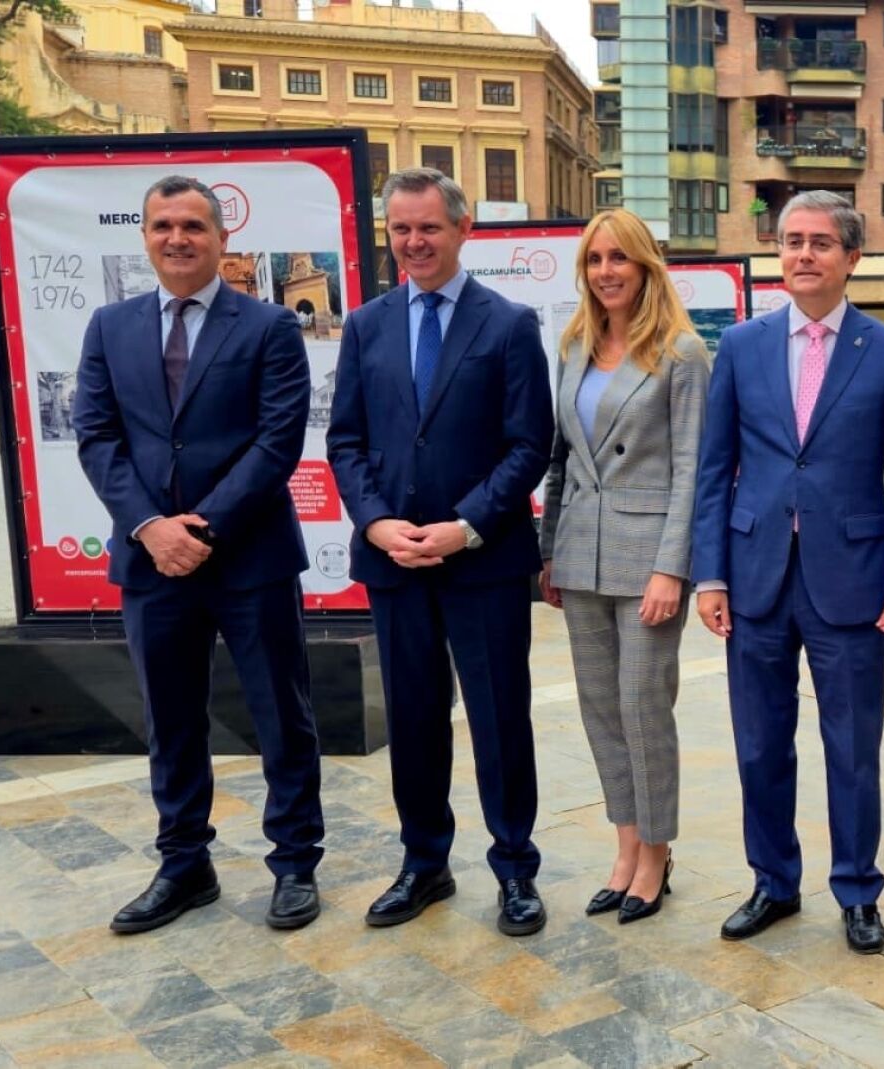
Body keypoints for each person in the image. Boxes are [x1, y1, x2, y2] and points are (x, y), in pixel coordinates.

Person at [73, 175, 323, 934]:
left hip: (251, 557)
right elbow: (97, 437)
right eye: (162, 226)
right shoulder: (110, 327)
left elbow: (277, 441)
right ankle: (185, 864)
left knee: (280, 713)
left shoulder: (269, 326)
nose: (177, 238)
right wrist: (151, 527)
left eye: (192, 225)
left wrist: (203, 527)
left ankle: (294, 863)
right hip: (152, 563)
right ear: (145, 236)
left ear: (221, 238)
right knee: (172, 718)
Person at [692, 190, 884, 955]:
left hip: (855, 581)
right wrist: (710, 575)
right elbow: (713, 470)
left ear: (851, 257)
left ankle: (858, 889)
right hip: (755, 576)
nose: (803, 253)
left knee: (852, 748)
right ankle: (773, 881)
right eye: (792, 240)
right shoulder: (742, 346)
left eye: (821, 242)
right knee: (760, 745)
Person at [327, 168, 554, 936]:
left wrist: (468, 524)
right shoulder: (366, 325)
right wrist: (375, 523)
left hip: (483, 560)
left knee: (499, 719)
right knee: (415, 718)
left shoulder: (509, 325)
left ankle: (515, 868)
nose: (414, 242)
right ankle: (424, 862)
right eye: (401, 229)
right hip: (395, 561)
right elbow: (346, 441)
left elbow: (529, 445)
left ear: (462, 229)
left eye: (428, 227)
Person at [538, 210, 708, 925]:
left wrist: (672, 568)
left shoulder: (682, 353)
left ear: (645, 266)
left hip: (647, 560)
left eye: (619, 258)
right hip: (581, 550)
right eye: (595, 259)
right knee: (601, 708)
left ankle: (657, 852)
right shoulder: (574, 344)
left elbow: (693, 468)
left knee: (643, 707)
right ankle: (626, 844)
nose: (606, 271)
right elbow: (560, 458)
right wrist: (549, 549)